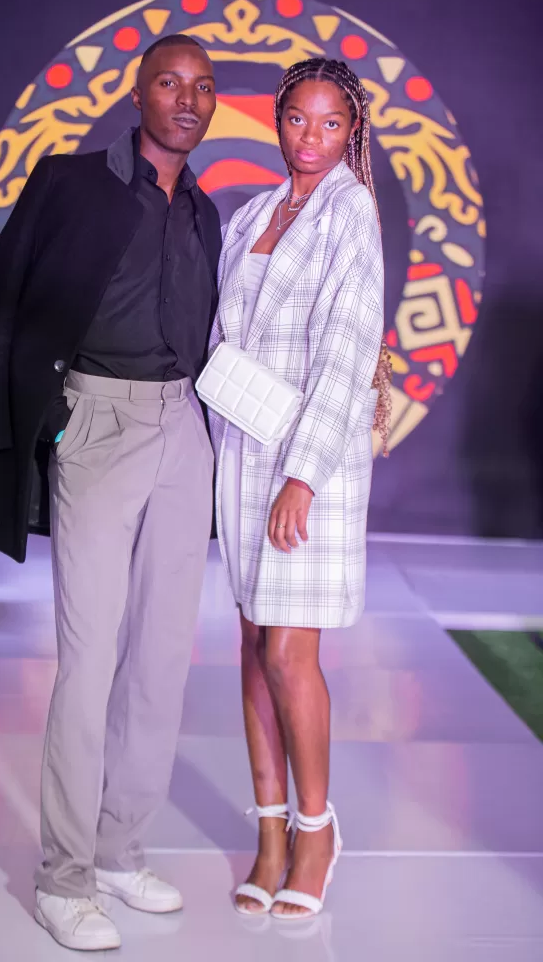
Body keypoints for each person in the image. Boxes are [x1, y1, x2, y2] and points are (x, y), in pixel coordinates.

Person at [0, 34, 221, 951]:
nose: (187, 99)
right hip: (97, 421)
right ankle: (63, 878)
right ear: (137, 95)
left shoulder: (205, 210)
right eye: (169, 83)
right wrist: (15, 430)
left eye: (203, 87)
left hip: (184, 429)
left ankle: (119, 852)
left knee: (163, 658)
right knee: (90, 657)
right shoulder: (69, 182)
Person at [208, 57, 390, 920]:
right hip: (242, 450)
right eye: (296, 119)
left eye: (330, 123)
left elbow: (347, 352)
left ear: (353, 131)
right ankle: (270, 832)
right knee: (251, 646)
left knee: (288, 653)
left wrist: (303, 477)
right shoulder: (251, 214)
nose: (311, 138)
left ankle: (316, 831)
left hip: (307, 463)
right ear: (275, 119)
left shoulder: (350, 212)